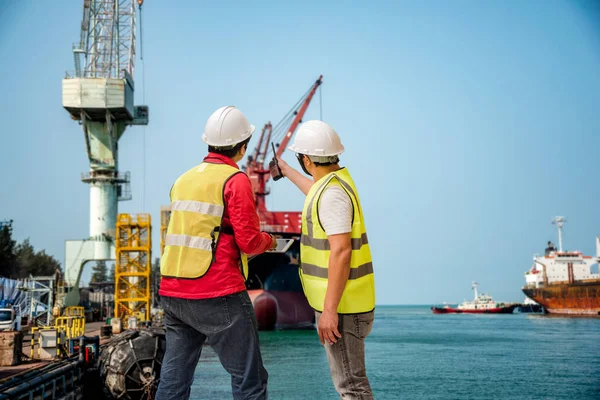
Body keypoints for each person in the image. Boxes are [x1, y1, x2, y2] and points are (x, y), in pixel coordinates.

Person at [155, 106, 277, 400]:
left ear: (207, 142)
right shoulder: (235, 180)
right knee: (250, 379)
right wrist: (270, 242)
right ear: (243, 146)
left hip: (173, 292)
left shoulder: (182, 180)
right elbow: (249, 242)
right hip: (217, 292)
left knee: (174, 378)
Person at [276, 120, 376, 399]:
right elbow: (316, 193)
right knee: (351, 385)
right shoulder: (332, 184)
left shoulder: (332, 194)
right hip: (346, 304)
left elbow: (341, 251)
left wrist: (329, 311)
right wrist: (287, 172)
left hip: (343, 309)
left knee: (351, 388)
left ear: (307, 159)